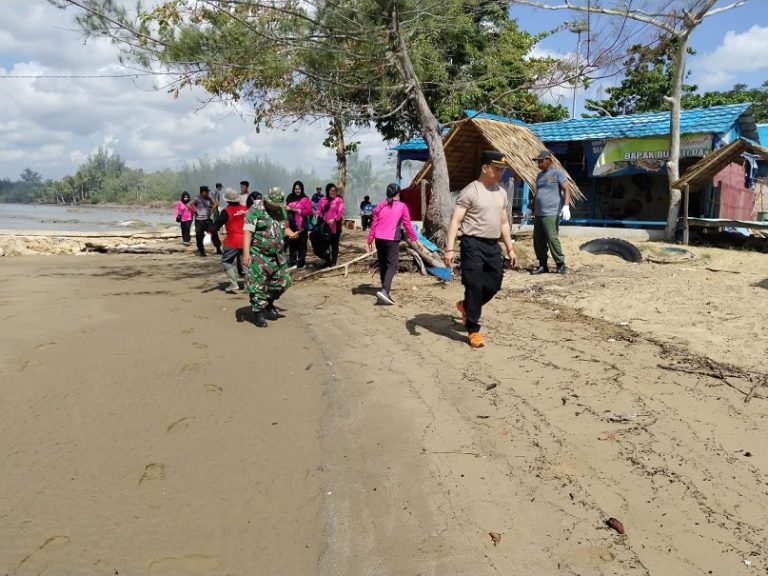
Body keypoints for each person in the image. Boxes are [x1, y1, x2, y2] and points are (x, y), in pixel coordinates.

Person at [443, 150, 517, 348]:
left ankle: (467, 306)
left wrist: (510, 248)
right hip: (472, 243)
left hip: (492, 246)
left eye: (502, 169)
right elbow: (455, 221)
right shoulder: (471, 191)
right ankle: (473, 329)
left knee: (494, 284)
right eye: (497, 169)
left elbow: (503, 223)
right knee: (474, 285)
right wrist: (449, 249)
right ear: (485, 168)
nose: (501, 173)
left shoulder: (501, 192)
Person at [242, 187, 292, 328]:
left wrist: (290, 232)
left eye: (278, 205)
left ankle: (268, 302)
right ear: (267, 200)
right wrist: (246, 254)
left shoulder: (281, 210)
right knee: (258, 284)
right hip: (258, 254)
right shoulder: (255, 209)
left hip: (277, 255)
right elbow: (247, 232)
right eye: (273, 204)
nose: (276, 207)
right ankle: (259, 313)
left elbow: (284, 227)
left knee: (284, 281)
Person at [365, 183, 419, 305]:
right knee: (393, 265)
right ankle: (385, 290)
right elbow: (407, 224)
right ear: (398, 194)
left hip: (379, 239)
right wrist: (414, 239)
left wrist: (369, 241)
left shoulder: (381, 206)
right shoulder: (402, 206)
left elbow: (374, 224)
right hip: (391, 239)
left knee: (383, 264)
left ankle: (384, 290)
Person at [530, 150, 570, 274]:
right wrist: (530, 208)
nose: (539, 163)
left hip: (551, 212)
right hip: (539, 213)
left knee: (552, 238)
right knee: (538, 239)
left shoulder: (558, 173)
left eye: (541, 161)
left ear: (549, 160)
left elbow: (566, 189)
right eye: (538, 161)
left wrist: (566, 206)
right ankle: (543, 265)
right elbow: (537, 194)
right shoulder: (539, 176)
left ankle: (560, 264)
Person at [210, 188, 247, 293]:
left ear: (227, 200)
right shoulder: (245, 209)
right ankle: (248, 285)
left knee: (226, 261)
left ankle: (234, 284)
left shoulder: (226, 211)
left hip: (233, 241)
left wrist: (210, 230)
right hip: (246, 240)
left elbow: (216, 225)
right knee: (245, 262)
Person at [314, 183, 345, 267]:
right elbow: (318, 209)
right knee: (325, 245)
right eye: (331, 190)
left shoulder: (339, 200)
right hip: (325, 227)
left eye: (334, 191)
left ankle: (333, 262)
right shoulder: (322, 200)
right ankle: (327, 260)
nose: (333, 192)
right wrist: (317, 214)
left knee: (334, 244)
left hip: (335, 226)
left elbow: (340, 212)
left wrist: (334, 219)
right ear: (327, 191)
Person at [285, 180, 313, 269]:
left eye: (299, 189)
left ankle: (301, 263)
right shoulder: (289, 197)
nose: (297, 191)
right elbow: (285, 208)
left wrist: (297, 210)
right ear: (293, 189)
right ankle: (292, 261)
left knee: (302, 244)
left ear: (302, 189)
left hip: (302, 225)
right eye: (296, 189)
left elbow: (309, 212)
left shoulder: (305, 198)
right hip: (291, 223)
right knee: (292, 243)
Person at [191, 185, 222, 257]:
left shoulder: (209, 198)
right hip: (199, 220)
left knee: (214, 232)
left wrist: (211, 211)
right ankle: (201, 251)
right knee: (199, 235)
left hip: (207, 220)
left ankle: (218, 249)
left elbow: (215, 204)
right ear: (203, 192)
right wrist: (194, 211)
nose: (208, 193)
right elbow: (189, 204)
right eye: (207, 192)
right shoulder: (197, 198)